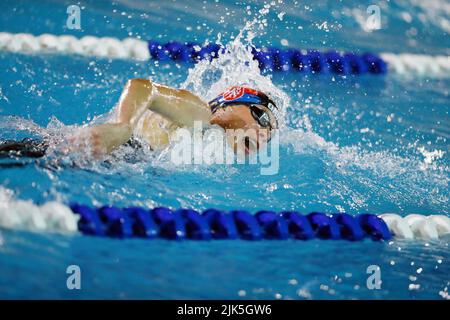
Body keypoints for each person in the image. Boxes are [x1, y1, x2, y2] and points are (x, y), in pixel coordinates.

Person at [0, 80, 278, 158]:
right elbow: (143, 87)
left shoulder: (207, 146)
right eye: (263, 119)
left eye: (271, 134)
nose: (265, 134)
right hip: (111, 149)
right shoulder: (201, 113)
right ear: (233, 104)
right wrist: (122, 128)